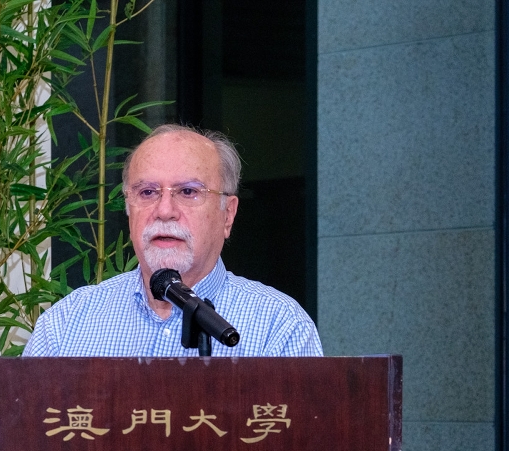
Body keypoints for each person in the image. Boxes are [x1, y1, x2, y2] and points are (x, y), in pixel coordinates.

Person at [22, 124, 322, 357]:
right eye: (147, 192)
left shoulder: (278, 327)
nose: (164, 211)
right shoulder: (66, 324)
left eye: (188, 192)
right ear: (128, 209)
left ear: (228, 215)